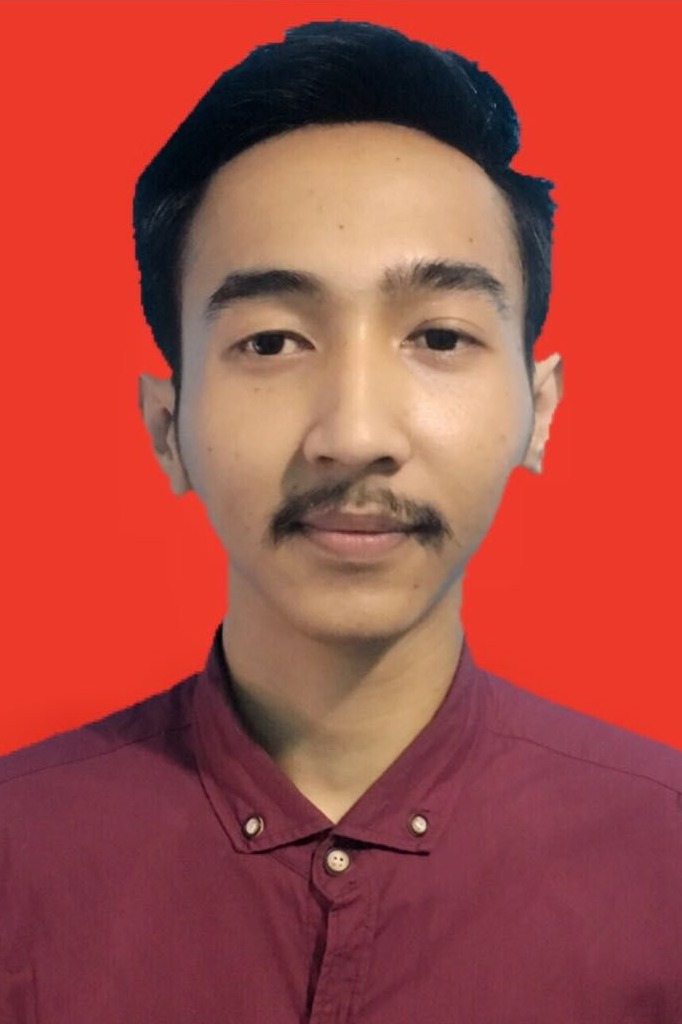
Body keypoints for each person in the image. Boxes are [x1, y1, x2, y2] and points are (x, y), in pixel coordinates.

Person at [1, 18, 680, 1023]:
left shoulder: (663, 856)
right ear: (166, 426)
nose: (354, 434)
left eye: (437, 336)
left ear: (538, 411)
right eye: (273, 341)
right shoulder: (19, 853)